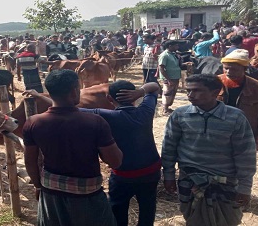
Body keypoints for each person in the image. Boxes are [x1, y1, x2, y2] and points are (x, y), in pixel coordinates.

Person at [25, 81, 160, 226]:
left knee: (118, 208)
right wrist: (141, 91)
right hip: (151, 171)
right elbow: (154, 87)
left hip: (123, 175)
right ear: (134, 98)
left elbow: (65, 107)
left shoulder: (103, 115)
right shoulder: (146, 110)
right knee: (148, 207)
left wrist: (39, 96)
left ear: (109, 99)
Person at [23, 69, 122, 226]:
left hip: (51, 195)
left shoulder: (33, 123)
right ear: (75, 91)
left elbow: (30, 162)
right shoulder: (96, 122)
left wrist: (38, 186)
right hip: (88, 196)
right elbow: (115, 162)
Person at [162, 74, 256, 226]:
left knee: (226, 220)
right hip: (189, 181)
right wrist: (168, 175)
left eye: (197, 90)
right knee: (192, 219)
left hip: (225, 184)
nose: (190, 95)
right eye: (188, 91)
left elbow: (245, 154)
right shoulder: (180, 115)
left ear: (215, 92)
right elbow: (169, 148)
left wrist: (245, 187)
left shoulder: (235, 118)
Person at [218, 49, 258, 152]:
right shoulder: (212, 84)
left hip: (244, 139)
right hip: (216, 137)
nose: (228, 72)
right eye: (226, 68)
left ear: (245, 69)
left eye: (234, 69)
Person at [158, 40, 182, 114]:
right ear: (170, 46)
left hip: (175, 77)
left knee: (172, 93)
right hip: (169, 78)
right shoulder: (164, 55)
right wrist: (168, 79)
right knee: (167, 93)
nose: (177, 47)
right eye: (176, 45)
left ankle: (168, 107)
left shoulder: (173, 54)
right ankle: (165, 109)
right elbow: (161, 68)